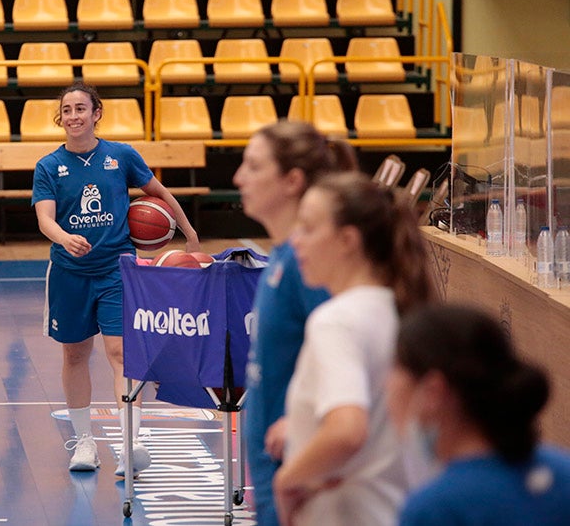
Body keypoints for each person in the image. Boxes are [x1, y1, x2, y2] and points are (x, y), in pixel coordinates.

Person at [31, 81, 200, 478]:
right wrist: (64, 237)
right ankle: (85, 441)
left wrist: (189, 233)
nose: (73, 116)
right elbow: (44, 218)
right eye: (67, 109)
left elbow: (160, 193)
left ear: (96, 114)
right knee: (74, 355)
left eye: (80, 108)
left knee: (122, 352)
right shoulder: (48, 166)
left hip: (117, 269)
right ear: (61, 117)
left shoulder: (120, 156)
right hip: (69, 273)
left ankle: (130, 440)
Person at [273, 171, 437, 526]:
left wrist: (287, 480)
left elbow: (347, 430)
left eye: (308, 227)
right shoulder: (400, 309)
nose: (295, 240)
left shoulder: (335, 321)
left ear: (347, 240)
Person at [231, 120, 356, 526]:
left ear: (291, 180)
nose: (237, 177)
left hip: (303, 483)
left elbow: (349, 365)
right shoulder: (282, 258)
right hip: (276, 478)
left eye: (252, 166)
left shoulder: (309, 265)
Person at [390, 305, 570, 525]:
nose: (387, 384)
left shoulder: (435, 509)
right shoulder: (562, 472)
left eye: (395, 369)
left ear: (434, 391)